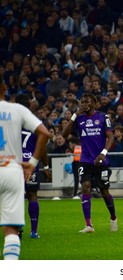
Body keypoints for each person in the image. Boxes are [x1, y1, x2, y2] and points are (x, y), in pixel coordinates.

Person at [0, 74, 49, 259]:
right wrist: (36, 164)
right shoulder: (18, 111)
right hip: (16, 167)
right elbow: (44, 134)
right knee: (30, 198)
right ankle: (33, 231)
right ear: (4, 88)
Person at [62, 93, 118, 233]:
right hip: (85, 160)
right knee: (86, 187)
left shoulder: (103, 117)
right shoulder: (79, 118)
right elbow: (64, 134)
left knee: (104, 192)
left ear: (94, 103)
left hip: (101, 160)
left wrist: (103, 153)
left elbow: (111, 137)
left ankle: (113, 218)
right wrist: (75, 114)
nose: (84, 104)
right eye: (82, 101)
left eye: (87, 101)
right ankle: (89, 225)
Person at [15, 94, 52, 239]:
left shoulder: (10, 121)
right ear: (29, 105)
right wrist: (46, 167)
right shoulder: (35, 122)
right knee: (32, 196)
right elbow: (42, 147)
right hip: (31, 164)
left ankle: (17, 229)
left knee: (14, 198)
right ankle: (34, 231)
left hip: (14, 164)